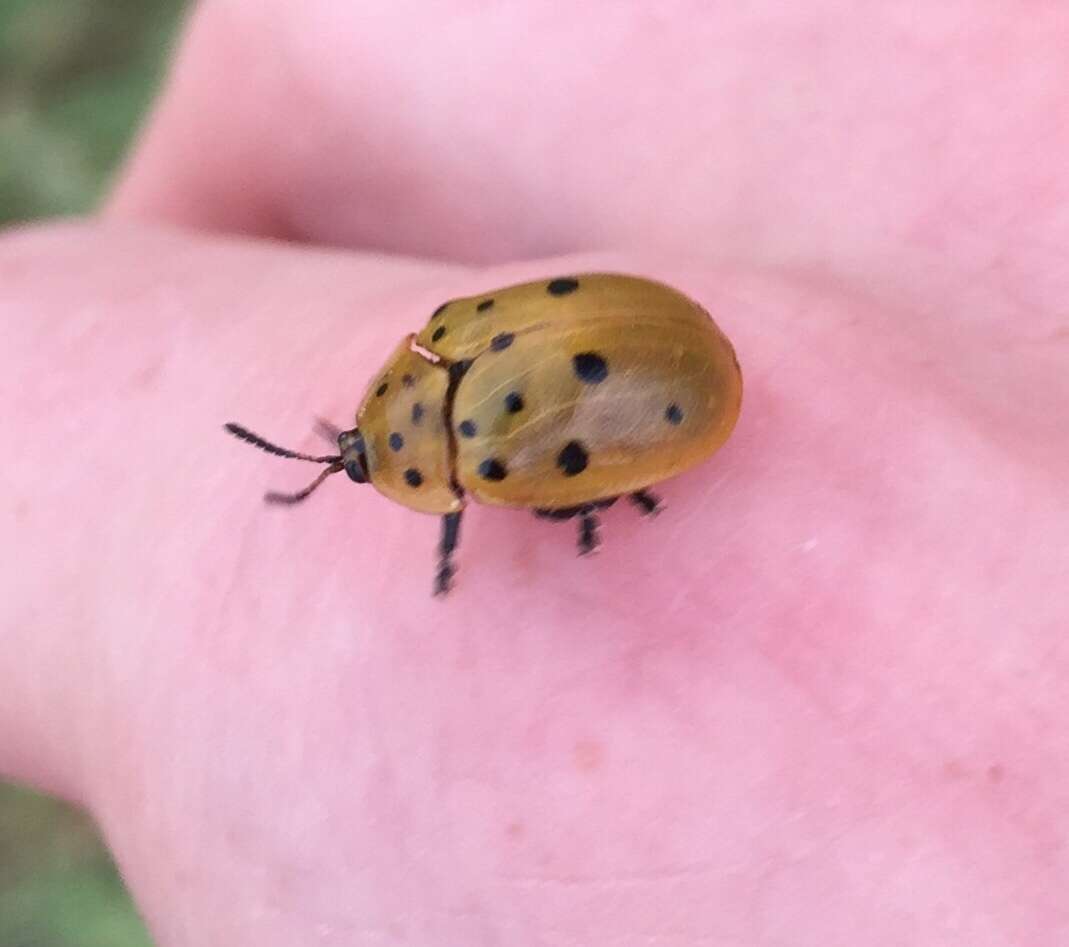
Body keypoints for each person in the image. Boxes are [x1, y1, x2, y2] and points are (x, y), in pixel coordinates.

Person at [4, 2, 1067, 943]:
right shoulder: (437, 337)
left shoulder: (490, 461)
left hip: (683, 379)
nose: (365, 463)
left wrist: (600, 495)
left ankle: (624, 495)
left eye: (368, 462)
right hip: (659, 337)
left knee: (565, 484)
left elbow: (552, 473)